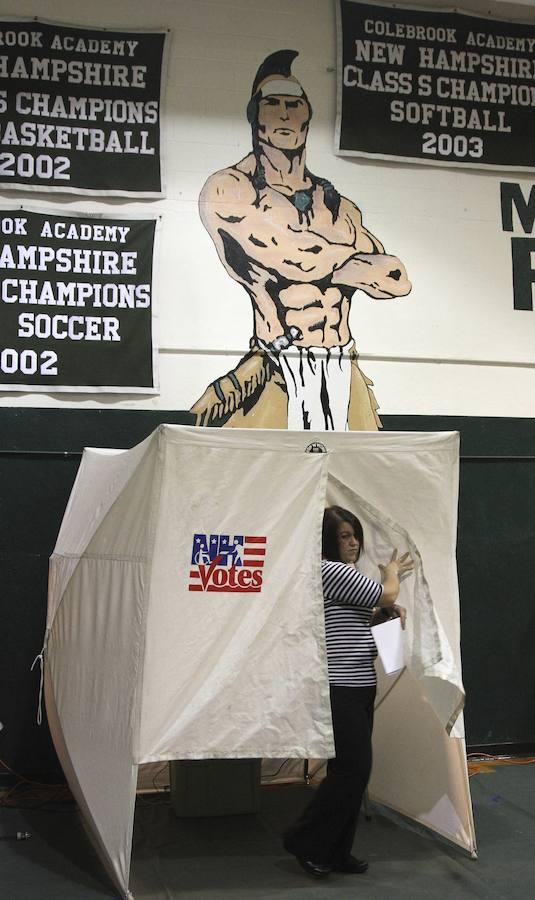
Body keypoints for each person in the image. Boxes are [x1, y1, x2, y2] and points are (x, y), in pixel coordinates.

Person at [191, 49, 411, 431]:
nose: (284, 115)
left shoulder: (339, 205)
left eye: (294, 105)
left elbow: (395, 279)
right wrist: (351, 264)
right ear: (255, 116)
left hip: (342, 362)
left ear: (308, 115)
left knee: (360, 467)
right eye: (272, 105)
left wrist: (333, 261)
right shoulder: (231, 189)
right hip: (279, 364)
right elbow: (295, 260)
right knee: (261, 468)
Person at [282, 505, 414, 878]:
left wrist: (382, 617)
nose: (353, 542)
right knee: (352, 772)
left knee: (350, 772)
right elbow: (387, 593)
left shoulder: (343, 577)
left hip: (358, 685)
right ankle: (303, 840)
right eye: (344, 536)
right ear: (328, 540)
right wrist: (391, 573)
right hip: (342, 686)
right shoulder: (331, 570)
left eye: (355, 535)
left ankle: (336, 851)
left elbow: (358, 623)